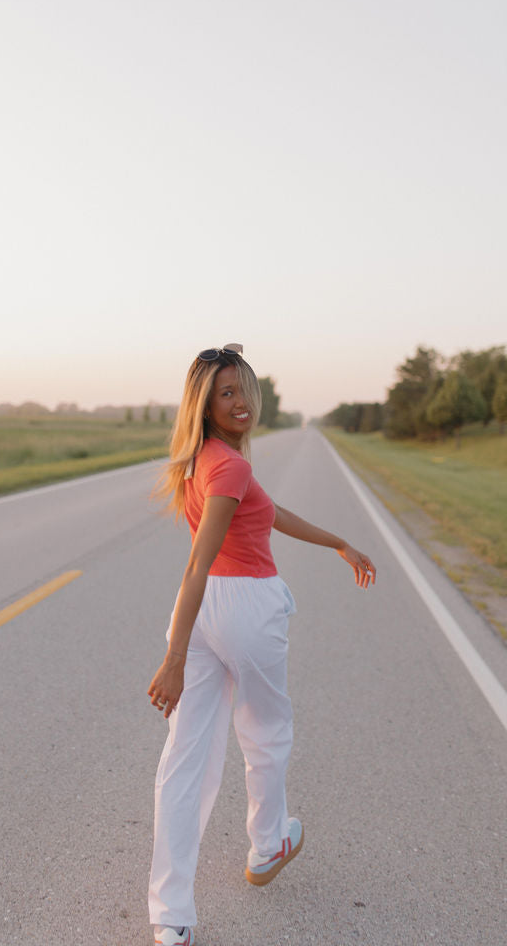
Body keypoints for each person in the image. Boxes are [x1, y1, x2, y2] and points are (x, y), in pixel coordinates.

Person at [147, 344, 376, 946]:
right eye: (226, 393)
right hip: (241, 606)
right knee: (266, 735)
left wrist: (339, 543)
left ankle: (170, 918)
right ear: (206, 404)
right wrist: (173, 657)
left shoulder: (207, 460)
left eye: (245, 389)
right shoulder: (231, 467)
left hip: (201, 613)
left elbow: (270, 516)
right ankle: (267, 845)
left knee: (185, 761)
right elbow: (198, 563)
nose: (241, 401)